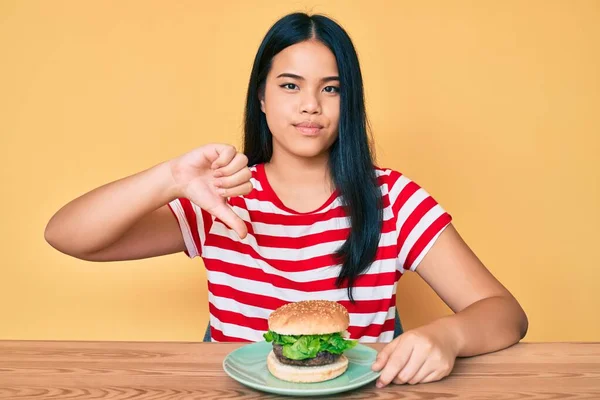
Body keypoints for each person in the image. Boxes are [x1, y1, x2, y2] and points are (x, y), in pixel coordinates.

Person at [44, 12, 528, 387]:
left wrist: (448, 334)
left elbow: (504, 313)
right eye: (290, 85)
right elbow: (67, 235)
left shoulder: (393, 200)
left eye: (331, 89)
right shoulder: (221, 196)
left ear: (349, 100)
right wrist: (169, 177)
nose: (310, 105)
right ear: (261, 97)